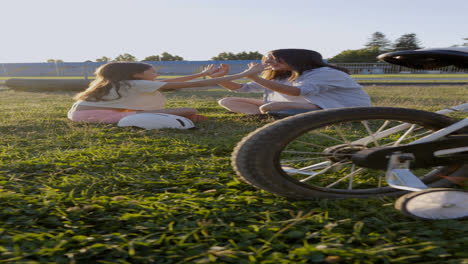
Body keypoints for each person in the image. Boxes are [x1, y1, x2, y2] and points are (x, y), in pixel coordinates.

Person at [68, 62, 263, 124]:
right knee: (188, 109)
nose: (156, 73)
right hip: (97, 116)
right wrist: (245, 74)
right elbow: (187, 86)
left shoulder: (126, 82)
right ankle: (188, 117)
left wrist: (203, 74)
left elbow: (171, 82)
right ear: (137, 74)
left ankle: (188, 118)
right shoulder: (137, 84)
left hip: (79, 114)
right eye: (152, 71)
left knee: (188, 112)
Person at [212, 49, 371, 116]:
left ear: (296, 59)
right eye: (269, 61)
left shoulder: (326, 73)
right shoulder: (282, 75)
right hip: (305, 103)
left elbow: (297, 92)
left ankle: (272, 113)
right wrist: (218, 78)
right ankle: (264, 117)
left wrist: (255, 77)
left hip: (337, 107)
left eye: (276, 60)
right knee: (227, 100)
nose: (271, 64)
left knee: (269, 107)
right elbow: (242, 88)